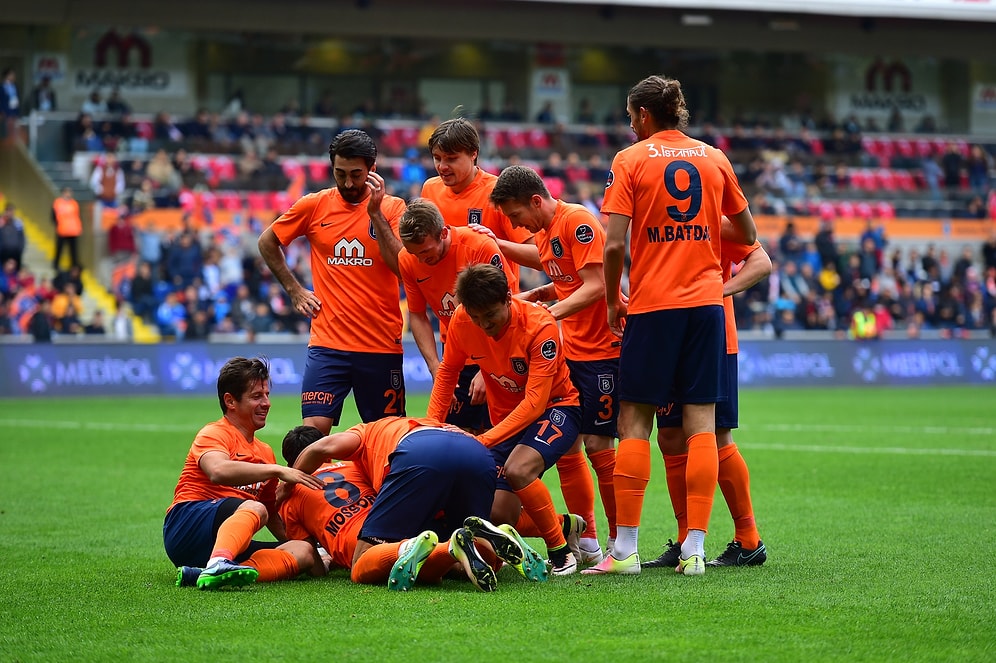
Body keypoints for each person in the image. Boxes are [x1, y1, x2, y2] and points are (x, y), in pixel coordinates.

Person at [585, 75, 757, 577]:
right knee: (702, 422)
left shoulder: (630, 159)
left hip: (654, 305)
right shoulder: (714, 157)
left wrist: (617, 302)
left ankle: (624, 553)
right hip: (706, 307)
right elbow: (746, 233)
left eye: (629, 115)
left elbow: (614, 244)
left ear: (641, 114)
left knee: (634, 421)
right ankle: (696, 549)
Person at [488, 164, 621, 566]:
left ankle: (622, 542)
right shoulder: (547, 233)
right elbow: (556, 277)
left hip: (602, 352)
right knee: (570, 451)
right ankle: (591, 541)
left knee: (600, 447)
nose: (516, 224)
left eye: (516, 216)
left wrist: (548, 316)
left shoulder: (577, 221)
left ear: (535, 201)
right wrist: (521, 291)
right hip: (573, 352)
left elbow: (597, 286)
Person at [427, 263, 582, 575]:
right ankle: (565, 526)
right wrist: (429, 426)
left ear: (508, 299)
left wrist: (484, 439)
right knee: (499, 515)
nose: (484, 325)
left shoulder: (540, 327)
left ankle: (561, 552)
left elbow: (535, 404)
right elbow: (448, 373)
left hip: (557, 408)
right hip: (506, 420)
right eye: (476, 317)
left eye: (491, 316)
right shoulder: (461, 320)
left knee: (518, 469)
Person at [258, 129, 408, 435]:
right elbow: (267, 241)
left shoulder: (394, 208)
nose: (349, 183)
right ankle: (307, 485)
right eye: (340, 174)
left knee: (386, 438)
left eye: (357, 174)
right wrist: (294, 289)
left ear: (373, 170)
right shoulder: (314, 205)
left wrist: (376, 214)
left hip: (380, 345)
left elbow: (402, 268)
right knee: (311, 436)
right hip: (328, 345)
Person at [284, 420, 543, 591]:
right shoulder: (359, 463)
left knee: (361, 563)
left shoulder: (359, 435)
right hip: (476, 452)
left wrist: (287, 482)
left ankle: (426, 547)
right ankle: (491, 540)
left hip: (420, 454)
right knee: (465, 547)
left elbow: (324, 447)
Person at [643, 228, 771, 570]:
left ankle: (749, 538)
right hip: (668, 340)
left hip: (713, 338)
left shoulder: (715, 221)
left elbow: (761, 262)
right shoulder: (658, 217)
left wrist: (719, 291)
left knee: (715, 436)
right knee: (669, 437)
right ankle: (685, 540)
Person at [164, 357, 327, 590]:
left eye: (267, 395)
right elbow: (217, 471)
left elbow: (271, 514)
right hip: (186, 526)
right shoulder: (214, 433)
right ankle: (219, 562)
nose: (267, 403)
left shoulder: (264, 452)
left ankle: (205, 573)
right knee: (253, 507)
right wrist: (277, 470)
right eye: (256, 396)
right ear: (230, 401)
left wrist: (315, 555)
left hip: (229, 539)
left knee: (302, 550)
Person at [398, 198, 516, 433]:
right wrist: (436, 369)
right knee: (456, 436)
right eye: (414, 253)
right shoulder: (407, 259)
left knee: (501, 439)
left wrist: (488, 369)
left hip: (499, 354)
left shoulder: (479, 246)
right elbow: (418, 315)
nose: (420, 260)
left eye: (425, 252)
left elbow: (511, 307)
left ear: (442, 233)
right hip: (457, 355)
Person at [420, 118, 534, 293]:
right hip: (449, 308)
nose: (442, 166)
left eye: (451, 159)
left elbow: (540, 256)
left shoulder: (499, 193)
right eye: (437, 158)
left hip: (495, 307)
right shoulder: (430, 189)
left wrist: (496, 244)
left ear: (473, 154)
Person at [52, 187, 82, 271]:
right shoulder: (58, 203)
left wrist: (78, 228)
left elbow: (77, 216)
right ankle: (56, 264)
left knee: (73, 250)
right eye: (67, 192)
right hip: (62, 229)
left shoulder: (74, 203)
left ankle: (73, 265)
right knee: (59, 249)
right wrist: (57, 225)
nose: (68, 194)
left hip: (73, 230)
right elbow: (54, 216)